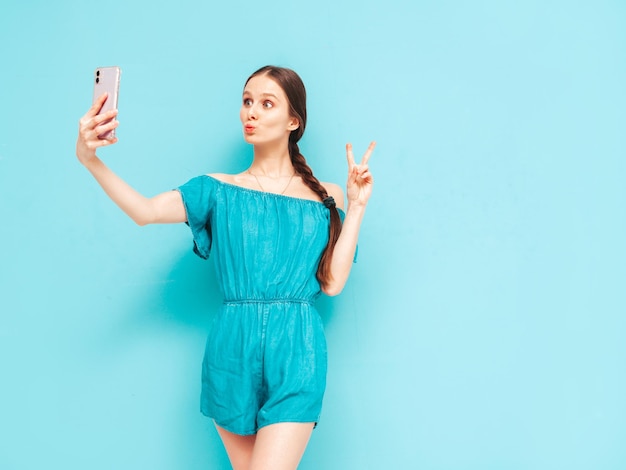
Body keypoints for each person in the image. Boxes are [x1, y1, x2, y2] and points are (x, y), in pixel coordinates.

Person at [76, 65, 375, 470]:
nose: (251, 112)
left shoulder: (326, 196)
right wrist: (89, 160)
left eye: (267, 103)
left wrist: (355, 207)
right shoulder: (217, 189)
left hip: (298, 349)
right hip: (232, 348)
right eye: (247, 101)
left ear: (293, 120)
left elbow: (334, 283)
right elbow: (145, 211)